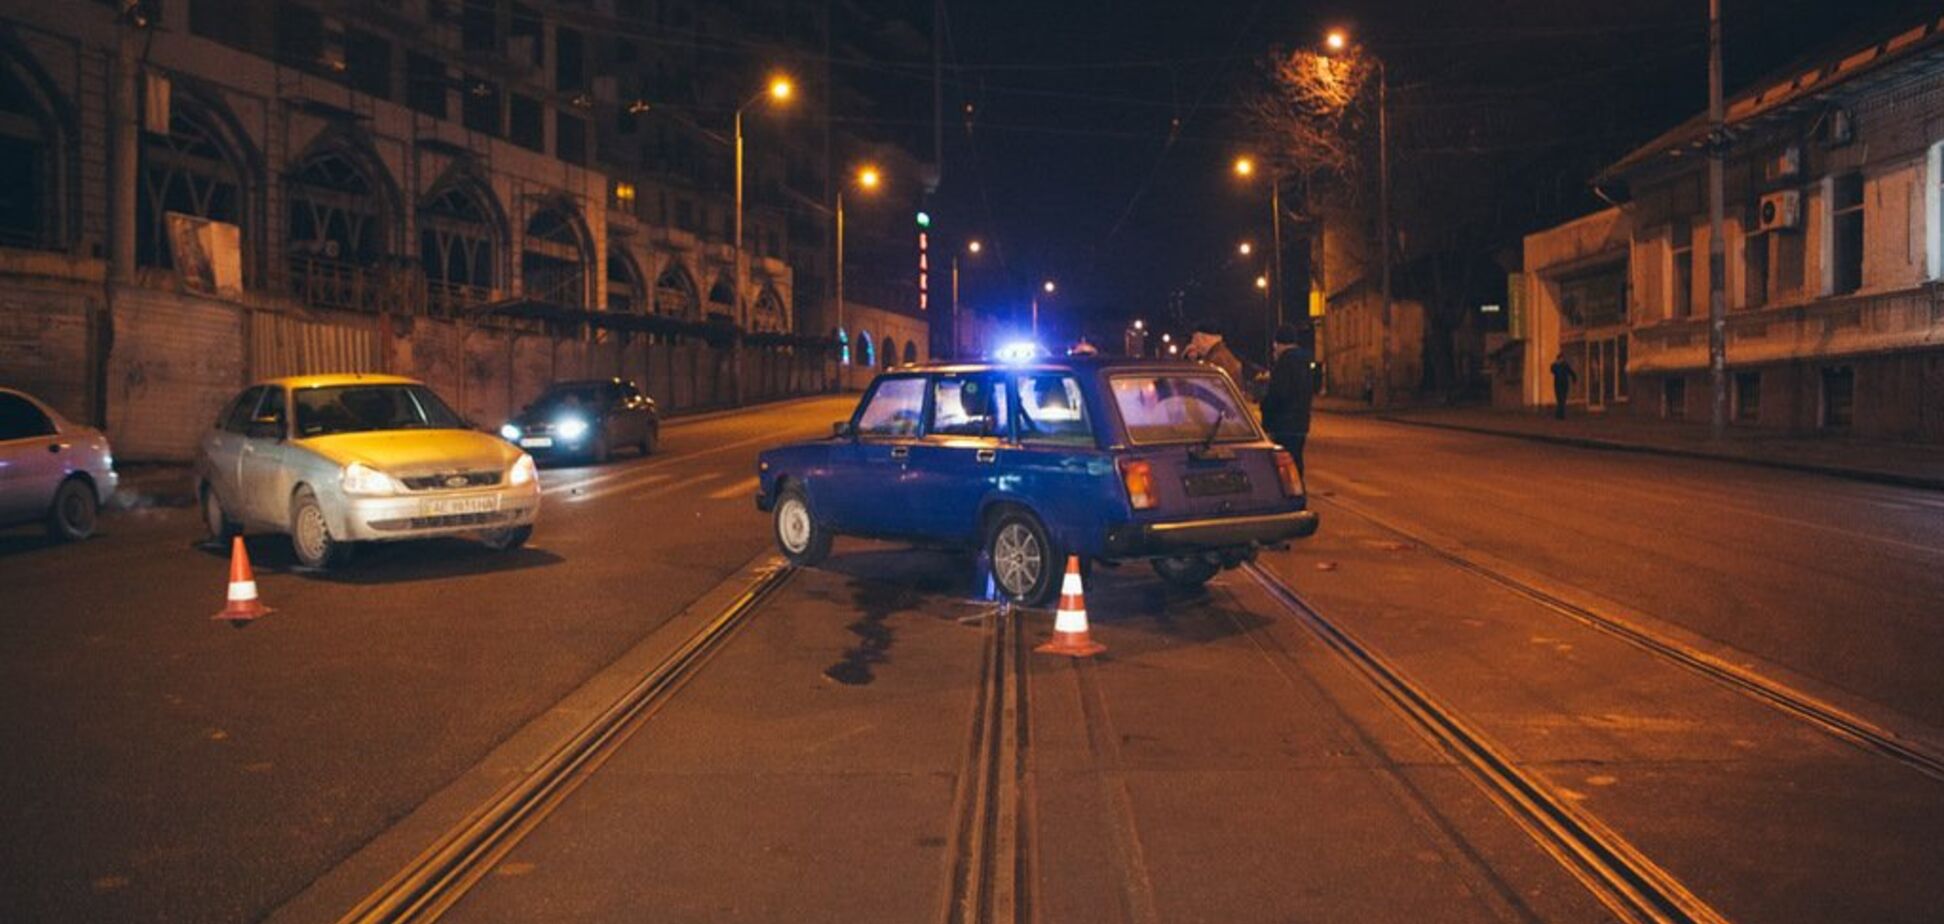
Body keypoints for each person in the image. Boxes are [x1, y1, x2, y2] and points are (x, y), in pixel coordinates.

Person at [1260, 324, 1316, 476]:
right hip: (1300, 423)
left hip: (1283, 425)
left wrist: (1266, 415)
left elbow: (1277, 395)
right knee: (1296, 461)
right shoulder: (1304, 362)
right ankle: (1298, 490)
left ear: (1278, 344)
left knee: (1284, 467)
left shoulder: (1284, 363)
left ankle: (1292, 494)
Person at [1550, 351, 1578, 420]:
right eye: (1561, 359)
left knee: (1562, 400)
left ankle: (1559, 415)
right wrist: (1556, 364)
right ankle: (1560, 415)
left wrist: (1574, 378)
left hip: (1564, 384)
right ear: (1558, 359)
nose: (1562, 360)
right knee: (1560, 400)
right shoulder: (1555, 366)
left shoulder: (1564, 365)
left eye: (1562, 359)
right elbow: (1552, 370)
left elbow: (1571, 372)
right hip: (1558, 385)